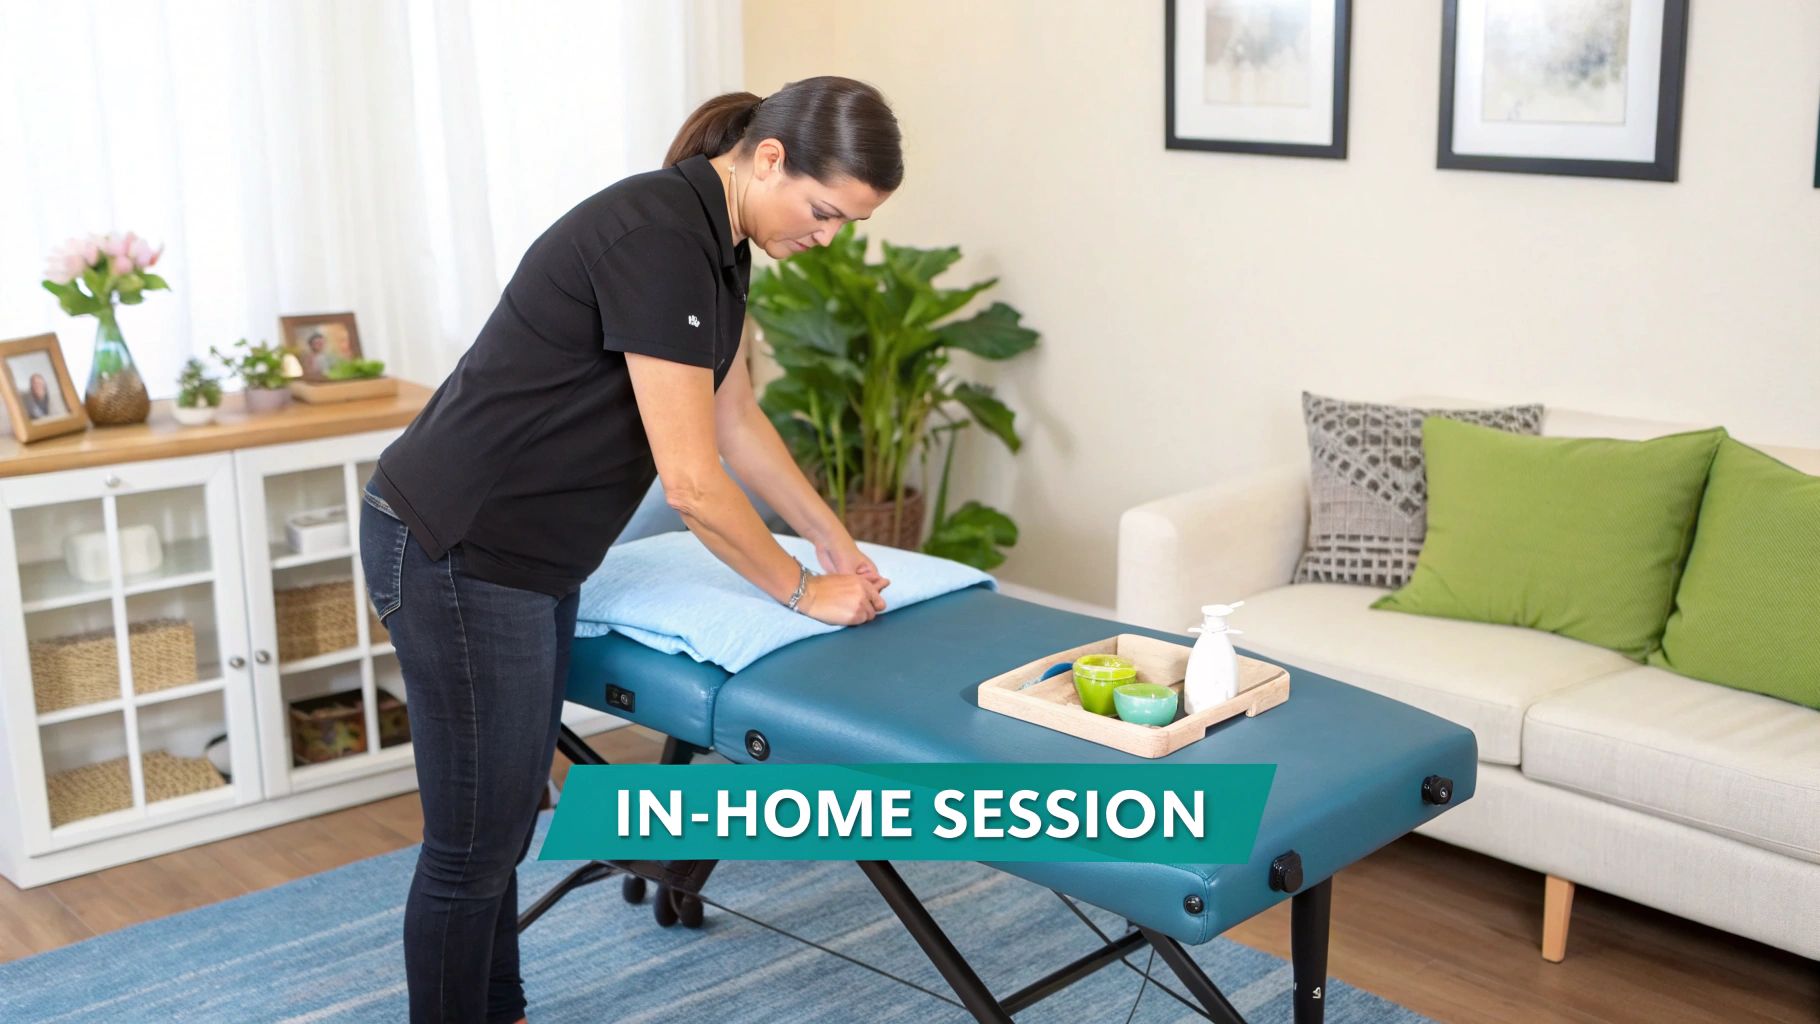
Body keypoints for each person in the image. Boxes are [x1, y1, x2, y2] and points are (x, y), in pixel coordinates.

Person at [358, 76, 903, 1024]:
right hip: (459, 550)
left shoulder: (720, 244)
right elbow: (691, 483)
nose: (828, 236)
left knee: (506, 824)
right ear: (769, 158)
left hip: (531, 558)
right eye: (824, 211)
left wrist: (835, 541)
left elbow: (736, 419)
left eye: (846, 222)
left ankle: (504, 1009)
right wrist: (799, 589)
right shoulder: (658, 237)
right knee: (471, 849)